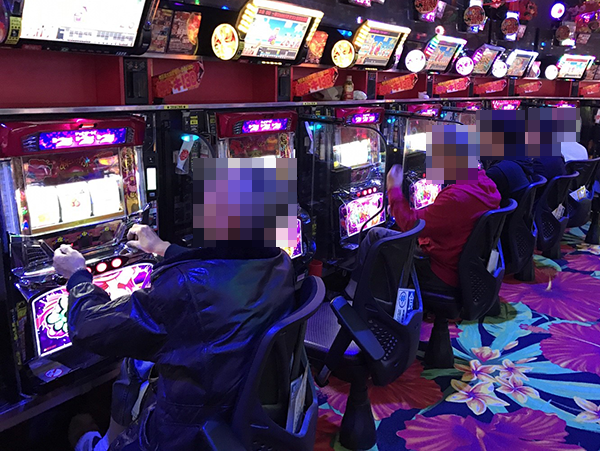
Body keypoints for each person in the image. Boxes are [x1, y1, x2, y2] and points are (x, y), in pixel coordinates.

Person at [54, 158, 298, 451]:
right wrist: (162, 248)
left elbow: (88, 327)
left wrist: (77, 275)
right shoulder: (280, 262)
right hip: (244, 403)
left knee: (135, 362)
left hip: (188, 431)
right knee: (140, 362)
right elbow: (228, 263)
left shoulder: (187, 287)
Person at [346, 124, 501, 296]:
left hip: (440, 269)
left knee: (376, 235)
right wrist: (399, 209)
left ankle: (353, 294)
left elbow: (411, 224)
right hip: (465, 265)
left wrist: (393, 187)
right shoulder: (486, 185)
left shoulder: (457, 197)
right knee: (394, 229)